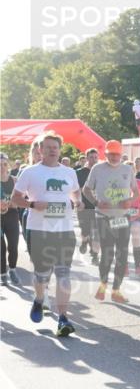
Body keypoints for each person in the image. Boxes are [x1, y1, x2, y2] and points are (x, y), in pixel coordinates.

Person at [11, 132, 81, 336]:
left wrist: (77, 202)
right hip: (39, 230)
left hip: (65, 230)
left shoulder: (69, 173)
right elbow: (16, 199)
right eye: (48, 147)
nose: (52, 150)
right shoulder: (30, 172)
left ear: (60, 150)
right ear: (40, 150)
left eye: (55, 147)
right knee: (41, 276)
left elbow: (76, 193)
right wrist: (33, 204)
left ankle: (63, 318)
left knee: (63, 273)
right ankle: (39, 299)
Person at [84, 140, 138, 304]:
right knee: (107, 253)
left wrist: (130, 200)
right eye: (111, 154)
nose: (114, 157)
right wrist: (96, 202)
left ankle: (116, 290)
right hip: (104, 216)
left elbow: (136, 192)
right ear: (105, 154)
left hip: (122, 216)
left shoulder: (128, 169)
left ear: (121, 155)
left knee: (122, 255)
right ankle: (102, 285)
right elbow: (86, 189)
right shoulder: (97, 168)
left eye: (117, 154)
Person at [1, 153, 22, 285]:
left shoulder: (14, 180)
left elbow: (20, 200)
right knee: (0, 247)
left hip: (12, 215)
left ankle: (12, 270)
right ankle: (2, 273)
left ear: (8, 165)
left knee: (13, 246)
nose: (2, 167)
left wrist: (11, 203)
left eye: (4, 164)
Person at [76, 148, 100, 264]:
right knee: (86, 231)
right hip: (84, 205)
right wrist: (79, 202)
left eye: (96, 157)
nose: (94, 160)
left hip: (98, 206)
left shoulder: (102, 172)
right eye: (91, 157)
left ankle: (95, 255)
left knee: (96, 232)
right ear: (87, 158)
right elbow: (77, 189)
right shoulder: (80, 172)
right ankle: (85, 241)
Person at [126, 162, 140, 277]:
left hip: (136, 213)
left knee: (136, 240)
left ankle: (138, 267)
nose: (130, 172)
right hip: (121, 215)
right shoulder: (118, 182)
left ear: (135, 171)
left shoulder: (139, 182)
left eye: (132, 170)